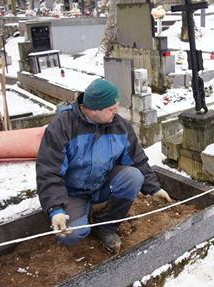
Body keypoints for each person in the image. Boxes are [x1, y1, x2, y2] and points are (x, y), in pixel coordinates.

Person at [36, 78, 171, 252]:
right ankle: (81, 215)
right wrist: (56, 209)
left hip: (101, 185)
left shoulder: (118, 126)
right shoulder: (62, 127)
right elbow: (49, 171)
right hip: (72, 193)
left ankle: (106, 225)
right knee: (71, 235)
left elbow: (137, 159)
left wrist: (154, 188)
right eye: (111, 109)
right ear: (92, 111)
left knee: (133, 176)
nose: (116, 112)